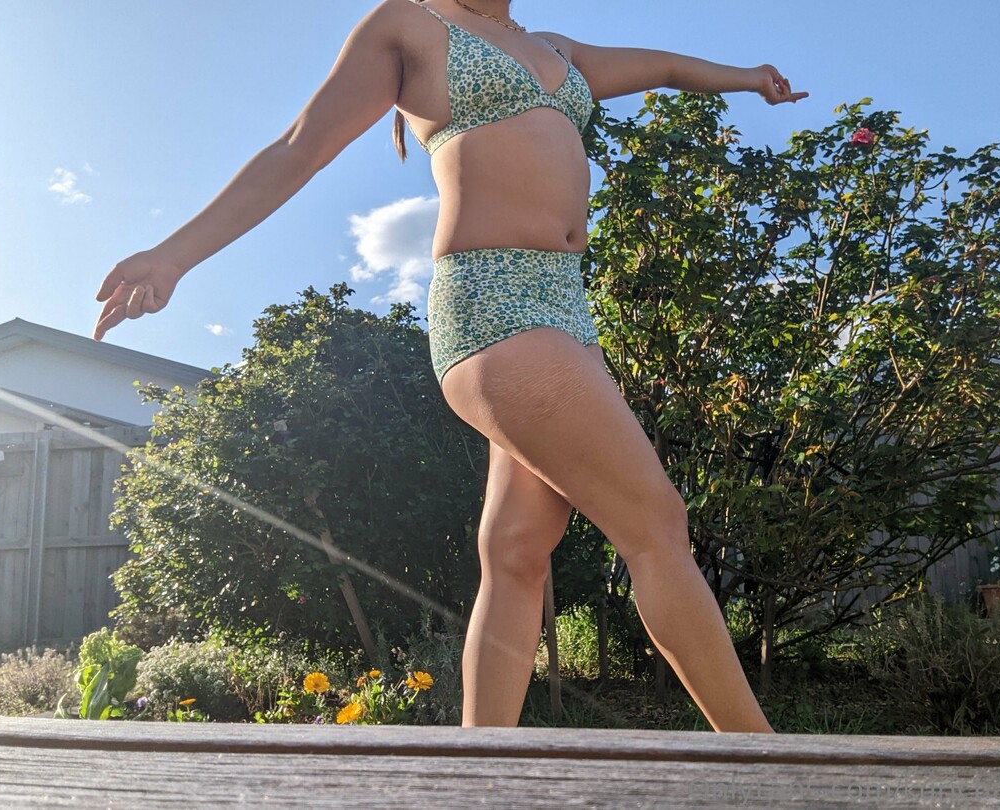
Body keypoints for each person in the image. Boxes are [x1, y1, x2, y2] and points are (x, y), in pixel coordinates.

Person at [94, 0, 806, 732]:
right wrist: (173, 256)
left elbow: (666, 67)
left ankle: (480, 765)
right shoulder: (411, 25)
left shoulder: (556, 49)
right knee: (656, 522)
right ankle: (767, 762)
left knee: (518, 552)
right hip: (494, 301)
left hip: (567, 306)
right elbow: (298, 148)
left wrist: (750, 76)